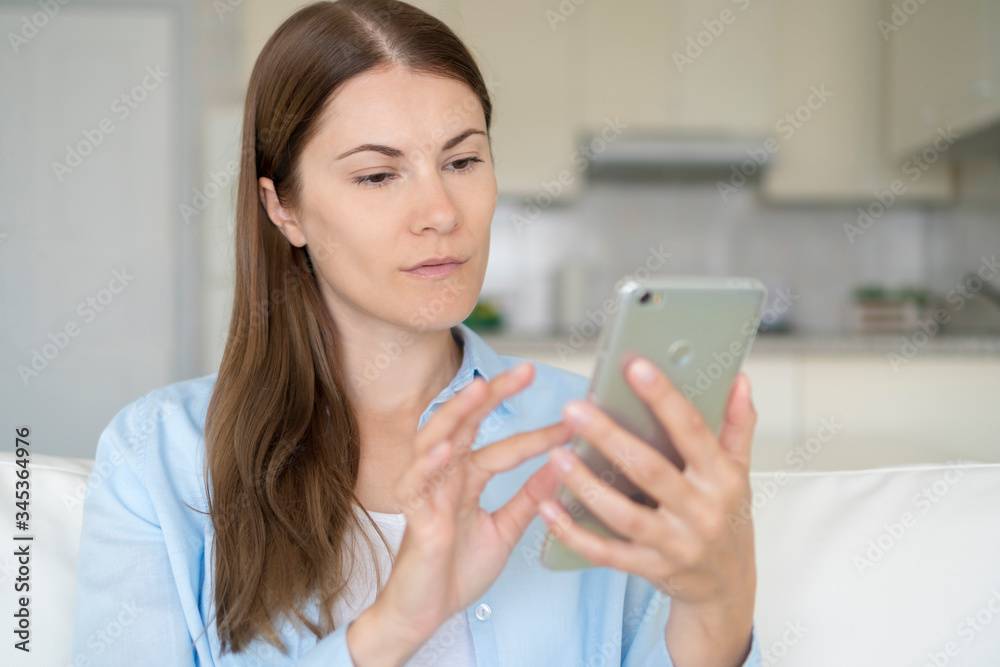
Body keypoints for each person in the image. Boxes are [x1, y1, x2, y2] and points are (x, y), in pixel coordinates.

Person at [71, 1, 764, 665]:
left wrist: (717, 606)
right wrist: (395, 626)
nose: (440, 211)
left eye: (462, 162)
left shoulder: (595, 436)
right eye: (378, 175)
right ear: (283, 208)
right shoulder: (156, 457)